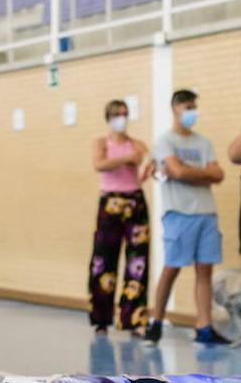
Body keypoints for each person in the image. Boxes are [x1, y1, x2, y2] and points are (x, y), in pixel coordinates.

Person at [145, 90, 230, 345]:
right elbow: (177, 171)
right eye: (187, 107)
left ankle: (204, 328)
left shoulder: (203, 142)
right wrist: (200, 172)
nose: (192, 112)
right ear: (175, 109)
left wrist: (188, 172)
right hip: (179, 214)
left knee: (205, 270)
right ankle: (156, 323)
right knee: (172, 268)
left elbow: (219, 174)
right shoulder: (165, 141)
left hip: (206, 213)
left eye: (194, 107)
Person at [88, 99, 153, 336]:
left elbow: (145, 161)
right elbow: (99, 164)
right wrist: (125, 159)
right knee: (104, 259)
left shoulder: (137, 144)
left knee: (138, 260)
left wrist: (148, 167)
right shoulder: (101, 143)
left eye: (125, 114)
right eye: (117, 114)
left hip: (134, 200)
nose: (121, 118)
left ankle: (133, 317)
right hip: (110, 202)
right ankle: (101, 318)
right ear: (108, 117)